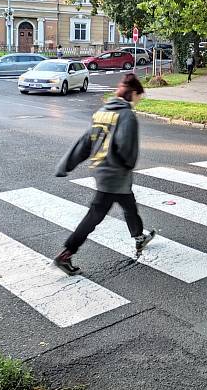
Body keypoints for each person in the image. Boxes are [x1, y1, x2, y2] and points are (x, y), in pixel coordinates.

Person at [53, 73, 155, 275]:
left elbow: (85, 142)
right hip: (115, 173)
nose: (139, 100)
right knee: (95, 215)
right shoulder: (127, 115)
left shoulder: (102, 112)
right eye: (139, 96)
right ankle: (66, 254)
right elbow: (127, 148)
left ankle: (139, 236)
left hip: (102, 169)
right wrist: (128, 164)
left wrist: (66, 165)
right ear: (133, 93)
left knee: (129, 203)